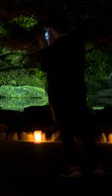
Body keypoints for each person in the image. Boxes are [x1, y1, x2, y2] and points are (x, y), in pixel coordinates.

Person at [40, 18, 101, 177]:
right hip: (77, 91)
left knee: (66, 131)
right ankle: (96, 164)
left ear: (53, 30)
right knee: (85, 129)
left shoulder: (52, 49)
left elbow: (45, 66)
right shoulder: (78, 46)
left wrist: (45, 47)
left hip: (60, 93)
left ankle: (74, 166)